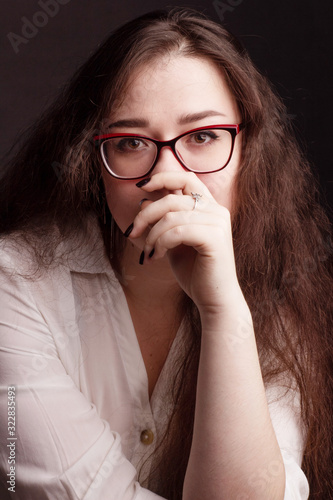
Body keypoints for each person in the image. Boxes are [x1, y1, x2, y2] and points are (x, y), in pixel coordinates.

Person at [0, 7, 332, 500]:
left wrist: (223, 313)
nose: (169, 178)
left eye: (203, 137)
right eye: (131, 142)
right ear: (93, 160)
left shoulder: (284, 292)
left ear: (248, 150)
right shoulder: (16, 285)